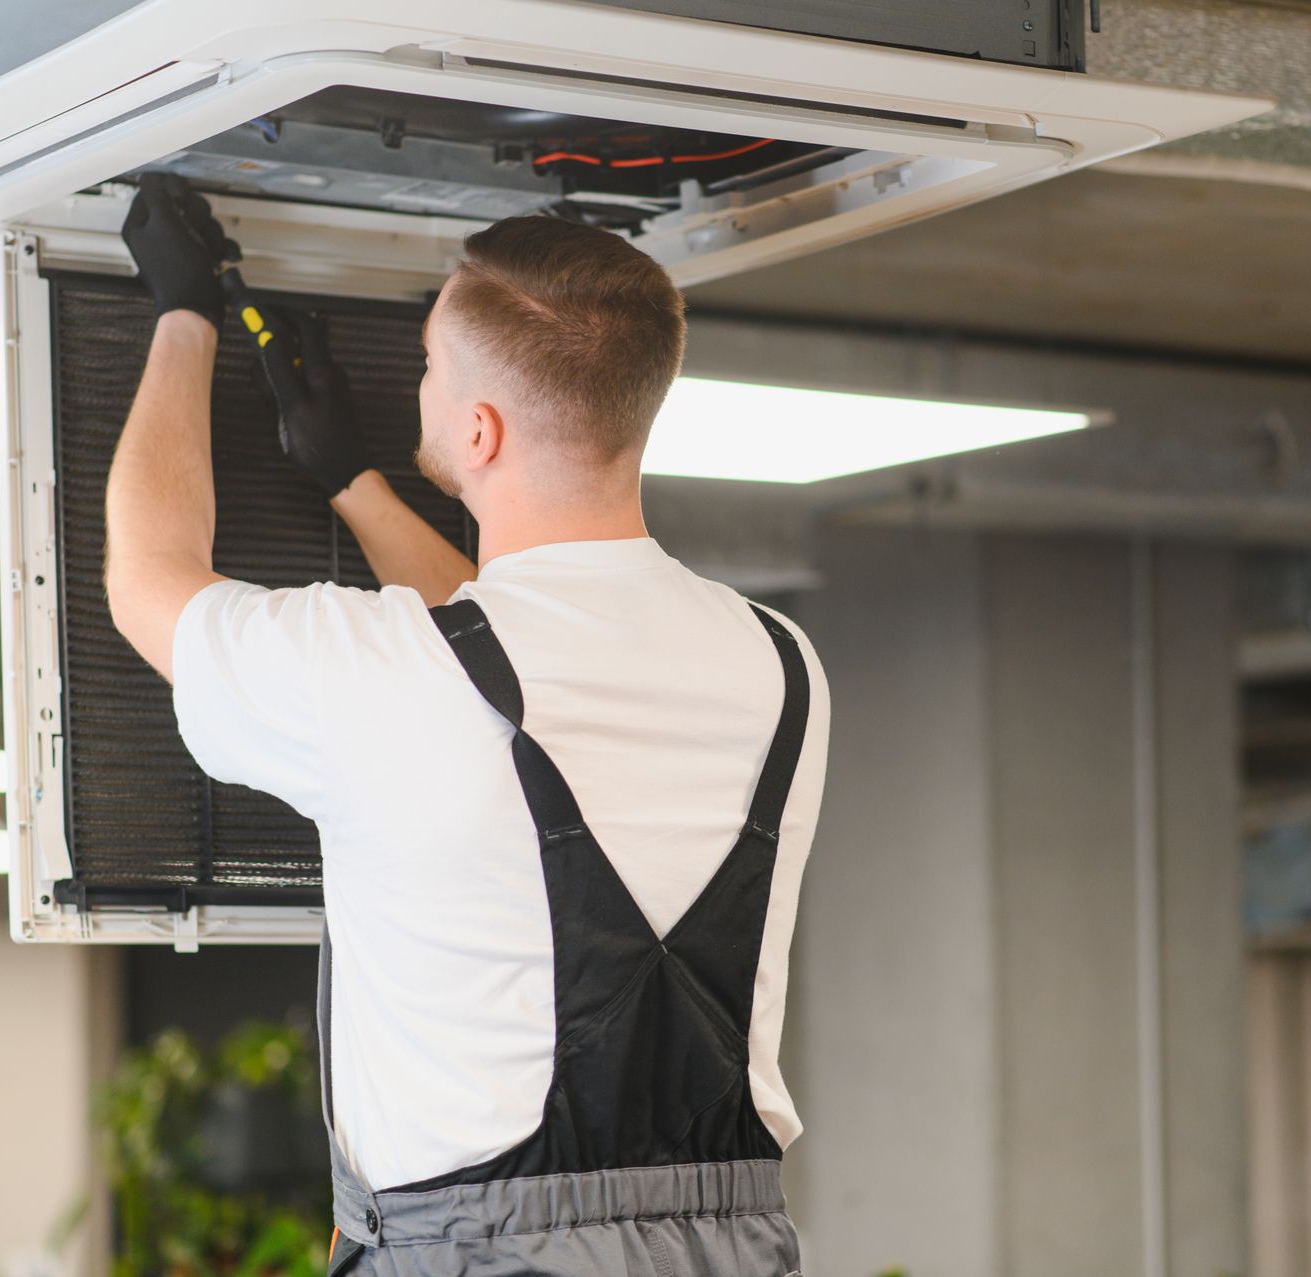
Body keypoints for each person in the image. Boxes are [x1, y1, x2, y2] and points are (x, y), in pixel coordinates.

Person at [103, 173, 828, 1275]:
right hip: (731, 1244)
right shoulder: (783, 666)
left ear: (480, 428)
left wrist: (183, 310)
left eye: (431, 367)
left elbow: (151, 577)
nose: (422, 385)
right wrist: (358, 488)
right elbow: (504, 657)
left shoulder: (385, 672)